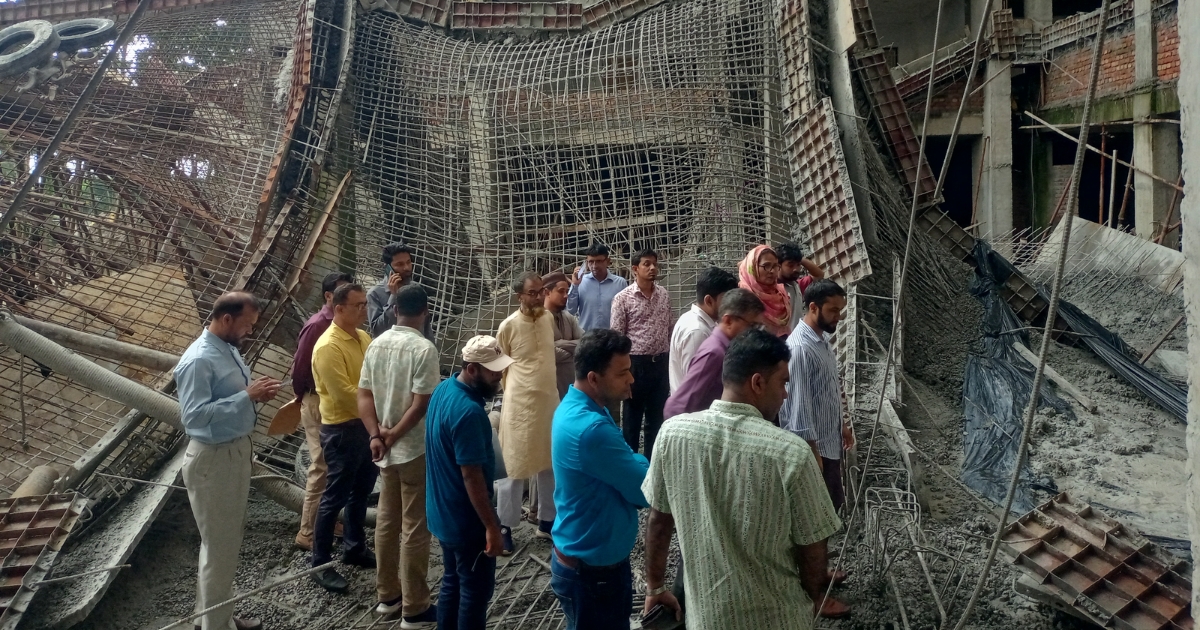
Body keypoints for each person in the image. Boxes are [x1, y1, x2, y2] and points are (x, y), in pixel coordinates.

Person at [641, 329, 845, 630]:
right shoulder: (791, 454)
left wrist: (655, 587)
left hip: (706, 619)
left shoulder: (672, 434)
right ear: (758, 383)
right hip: (778, 619)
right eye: (783, 382)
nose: (786, 394)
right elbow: (813, 546)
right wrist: (813, 596)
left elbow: (659, 521)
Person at [176, 292, 280, 630]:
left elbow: (230, 397)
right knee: (220, 548)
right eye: (247, 324)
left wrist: (254, 395)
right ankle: (217, 626)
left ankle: (211, 617)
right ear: (226, 319)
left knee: (221, 544)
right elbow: (193, 416)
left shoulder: (228, 348)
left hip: (232, 451)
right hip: (214, 458)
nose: (251, 330)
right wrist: (246, 396)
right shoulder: (199, 360)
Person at [550, 329, 648, 630]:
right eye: (622, 373)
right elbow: (645, 488)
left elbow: (628, 466)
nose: (631, 379)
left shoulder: (579, 406)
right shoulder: (591, 429)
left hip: (588, 564)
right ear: (594, 378)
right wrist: (638, 461)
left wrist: (630, 461)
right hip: (593, 577)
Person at [358, 285, 439, 626]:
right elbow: (421, 403)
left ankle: (387, 595)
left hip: (385, 449)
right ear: (425, 312)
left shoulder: (375, 344)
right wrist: (395, 434)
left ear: (394, 311)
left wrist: (376, 434)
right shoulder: (423, 349)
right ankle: (415, 606)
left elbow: (364, 394)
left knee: (387, 520)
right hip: (412, 448)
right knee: (415, 527)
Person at [426, 336, 513, 630]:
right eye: (493, 371)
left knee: (453, 580)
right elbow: (471, 476)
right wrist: (492, 526)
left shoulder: (444, 389)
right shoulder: (469, 412)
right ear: (472, 369)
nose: (499, 376)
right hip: (466, 521)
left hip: (443, 513)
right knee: (475, 593)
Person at [310, 284, 383, 593]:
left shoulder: (364, 338)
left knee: (361, 492)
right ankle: (320, 563)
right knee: (334, 498)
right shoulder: (328, 347)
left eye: (365, 303)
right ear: (339, 309)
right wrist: (380, 406)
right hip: (342, 430)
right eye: (358, 305)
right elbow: (345, 394)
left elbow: (376, 377)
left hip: (366, 426)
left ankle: (354, 547)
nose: (364, 309)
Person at [495, 271, 559, 552]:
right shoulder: (508, 326)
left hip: (548, 402)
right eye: (532, 293)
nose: (538, 297)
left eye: (541, 291)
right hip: (519, 406)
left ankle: (547, 522)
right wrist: (518, 390)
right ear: (519, 296)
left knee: (549, 463)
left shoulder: (548, 318)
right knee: (513, 465)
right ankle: (505, 526)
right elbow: (499, 367)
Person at [290, 271, 352, 552]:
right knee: (321, 465)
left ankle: (326, 521)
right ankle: (306, 532)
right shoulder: (317, 325)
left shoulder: (343, 324)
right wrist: (303, 398)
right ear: (328, 296)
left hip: (334, 402)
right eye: (342, 292)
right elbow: (300, 368)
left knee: (335, 464)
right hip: (316, 401)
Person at [781, 279, 854, 512]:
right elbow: (798, 410)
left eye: (840, 310)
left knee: (831, 509)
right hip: (816, 451)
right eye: (833, 310)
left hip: (828, 442)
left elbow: (828, 389)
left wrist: (841, 424)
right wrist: (813, 457)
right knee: (819, 514)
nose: (838, 317)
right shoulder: (800, 349)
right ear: (813, 307)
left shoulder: (821, 340)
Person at [664, 289, 765, 419]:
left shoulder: (727, 349)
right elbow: (678, 407)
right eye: (753, 326)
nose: (756, 333)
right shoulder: (714, 353)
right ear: (728, 321)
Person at [610, 248, 671, 457]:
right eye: (647, 264)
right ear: (635, 269)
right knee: (632, 418)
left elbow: (668, 328)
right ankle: (631, 463)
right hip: (635, 365)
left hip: (660, 363)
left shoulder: (664, 295)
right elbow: (617, 337)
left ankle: (652, 463)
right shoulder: (623, 298)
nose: (652, 268)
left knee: (657, 417)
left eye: (654, 264)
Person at [668, 267, 738, 393]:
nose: (731, 306)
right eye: (726, 300)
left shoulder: (692, 319)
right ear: (709, 301)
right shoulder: (697, 332)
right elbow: (695, 386)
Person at [368, 242, 434, 340]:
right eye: (400, 264)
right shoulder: (375, 294)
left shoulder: (416, 289)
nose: (406, 268)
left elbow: (426, 328)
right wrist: (393, 297)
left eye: (408, 262)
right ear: (388, 267)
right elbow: (378, 330)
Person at [567, 242, 627, 331]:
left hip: (611, 336)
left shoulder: (620, 283)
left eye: (599, 261)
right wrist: (574, 285)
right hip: (586, 335)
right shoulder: (581, 282)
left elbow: (626, 312)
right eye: (591, 262)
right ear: (587, 262)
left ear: (608, 261)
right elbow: (570, 310)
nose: (594, 266)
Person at [543, 271, 584, 399]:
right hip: (548, 389)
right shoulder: (538, 321)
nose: (566, 295)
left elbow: (585, 344)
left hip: (570, 387)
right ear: (547, 292)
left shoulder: (568, 317)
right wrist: (574, 351)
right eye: (561, 291)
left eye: (566, 291)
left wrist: (559, 344)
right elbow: (547, 353)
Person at [738, 245, 792, 338]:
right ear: (753, 267)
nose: (772, 271)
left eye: (775, 266)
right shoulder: (743, 297)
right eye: (766, 266)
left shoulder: (781, 293)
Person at [775, 242, 825, 334]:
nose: (796, 269)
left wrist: (799, 258)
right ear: (778, 265)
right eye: (790, 265)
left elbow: (819, 275)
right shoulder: (771, 289)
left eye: (798, 265)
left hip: (796, 338)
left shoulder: (797, 285)